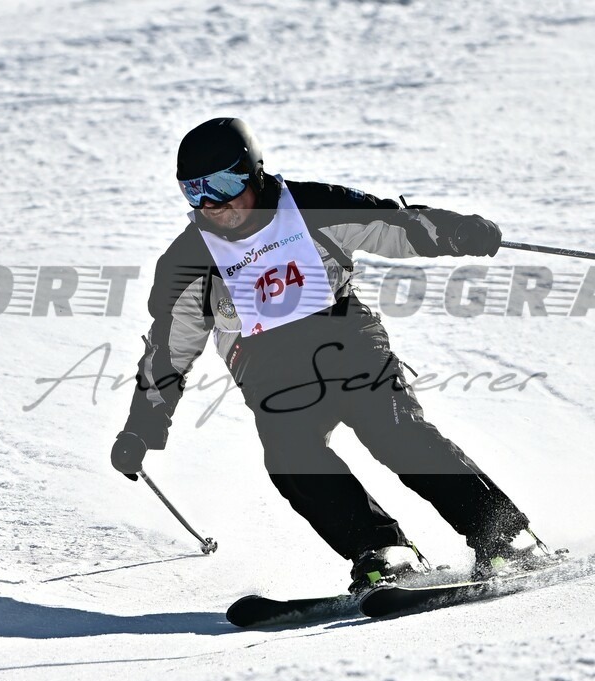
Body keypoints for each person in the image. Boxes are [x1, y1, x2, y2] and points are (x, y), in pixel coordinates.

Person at [111, 117, 542, 592]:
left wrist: (455, 231)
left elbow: (393, 225)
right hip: (267, 369)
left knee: (393, 429)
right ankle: (384, 550)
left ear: (254, 173)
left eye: (224, 185)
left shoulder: (309, 207)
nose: (213, 204)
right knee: (291, 460)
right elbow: (168, 353)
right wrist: (142, 426)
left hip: (345, 338)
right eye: (195, 192)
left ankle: (505, 536)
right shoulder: (187, 261)